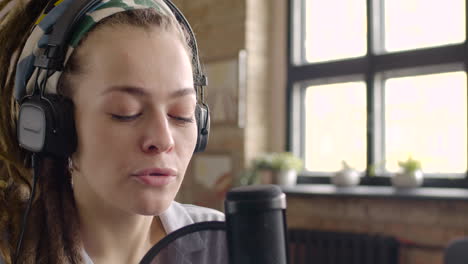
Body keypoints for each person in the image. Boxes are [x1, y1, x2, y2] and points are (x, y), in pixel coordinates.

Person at [0, 0, 224, 263]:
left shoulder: (223, 243)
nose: (162, 140)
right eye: (125, 112)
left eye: (181, 114)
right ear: (54, 127)